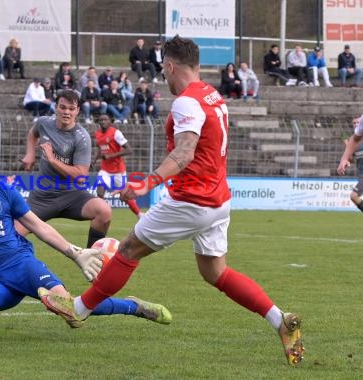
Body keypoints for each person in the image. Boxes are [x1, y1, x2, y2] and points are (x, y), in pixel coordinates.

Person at [38, 35, 305, 367]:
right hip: (218, 200)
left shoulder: (187, 101)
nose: (163, 74)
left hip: (191, 200)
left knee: (128, 250)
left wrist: (146, 183)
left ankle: (77, 309)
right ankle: (281, 320)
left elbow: (184, 151)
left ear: (170, 64)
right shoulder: (213, 95)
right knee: (215, 272)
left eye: (163, 68)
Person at [0, 116, 172, 343]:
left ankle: (134, 306)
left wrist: (76, 253)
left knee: (70, 310)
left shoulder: (3, 191)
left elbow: (37, 226)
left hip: (23, 266)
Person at [19, 90, 112, 249]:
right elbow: (32, 133)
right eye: (63, 107)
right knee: (11, 234)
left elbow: (81, 176)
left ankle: (90, 257)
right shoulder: (43, 122)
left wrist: (53, 160)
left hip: (72, 195)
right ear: (56, 107)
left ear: (77, 111)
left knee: (104, 211)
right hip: (42, 196)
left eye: (71, 109)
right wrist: (30, 154)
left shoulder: (81, 137)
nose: (66, 112)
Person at [92, 114, 142, 218]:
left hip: (118, 170)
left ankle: (139, 214)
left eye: (105, 119)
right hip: (105, 170)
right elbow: (100, 149)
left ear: (110, 121)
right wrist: (94, 161)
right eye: (101, 120)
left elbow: (129, 150)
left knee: (125, 196)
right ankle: (103, 215)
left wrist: (111, 155)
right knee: (100, 193)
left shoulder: (115, 133)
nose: (102, 121)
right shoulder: (97, 134)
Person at [337, 115, 363, 213]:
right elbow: (352, 160)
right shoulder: (353, 142)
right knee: (354, 196)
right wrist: (346, 160)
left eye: (357, 122)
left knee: (354, 195)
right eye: (354, 123)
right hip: (361, 175)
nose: (356, 124)